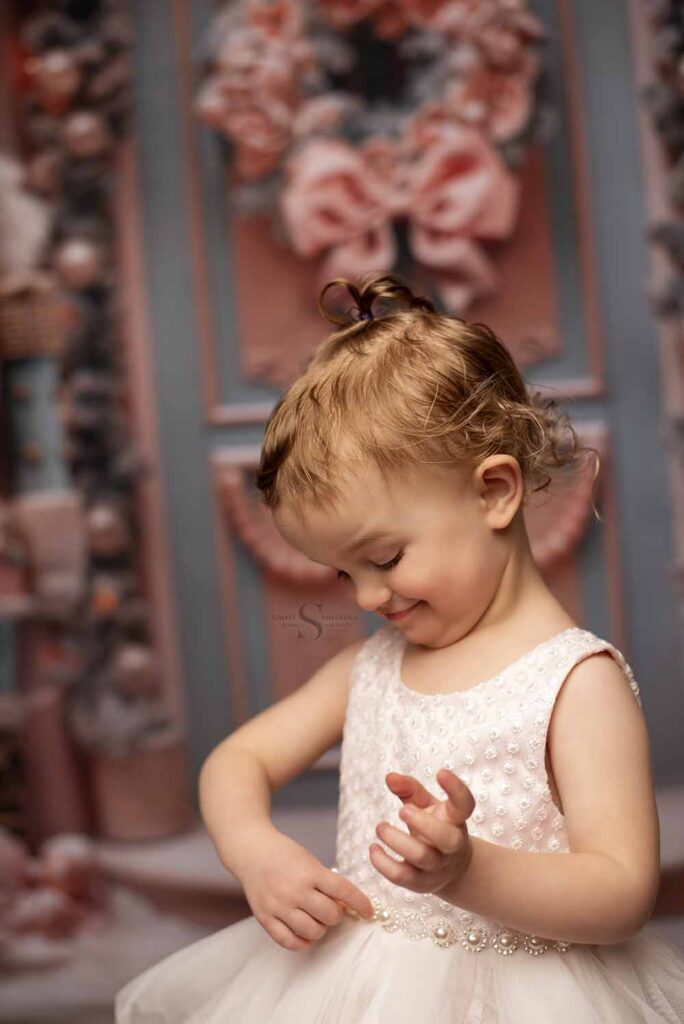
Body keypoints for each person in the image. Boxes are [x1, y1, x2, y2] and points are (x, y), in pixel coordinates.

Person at [116, 273, 684, 1023]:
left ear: (494, 492)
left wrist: (469, 871)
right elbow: (237, 762)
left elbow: (621, 892)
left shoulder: (573, 683)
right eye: (342, 572)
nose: (365, 598)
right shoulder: (372, 666)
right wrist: (256, 851)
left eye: (382, 560)